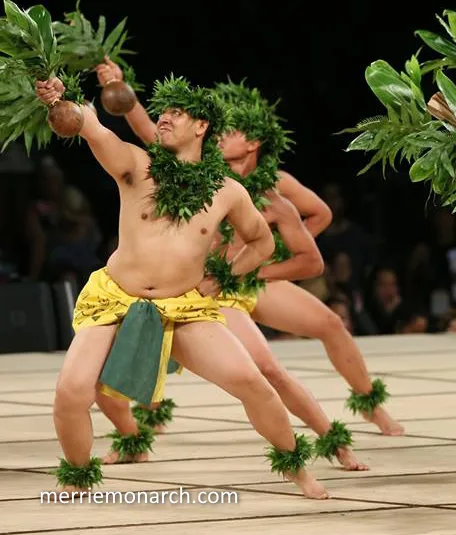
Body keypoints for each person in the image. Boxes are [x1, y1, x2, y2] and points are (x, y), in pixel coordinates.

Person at [33, 75, 326, 498]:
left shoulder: (227, 191)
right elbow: (91, 127)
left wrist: (223, 276)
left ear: (202, 126)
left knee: (253, 383)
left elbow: (261, 242)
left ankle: (298, 470)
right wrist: (61, 99)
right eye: (163, 112)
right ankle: (78, 479)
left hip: (185, 307)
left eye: (176, 113)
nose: (164, 118)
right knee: (71, 391)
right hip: (116, 299)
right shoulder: (136, 166)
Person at [93, 59, 404, 436]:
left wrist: (267, 259)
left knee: (330, 324)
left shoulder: (276, 185)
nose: (221, 136)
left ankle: (370, 403)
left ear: (254, 142)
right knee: (180, 341)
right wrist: (121, 85)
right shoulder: (203, 170)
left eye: (232, 130)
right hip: (209, 281)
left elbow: (320, 215)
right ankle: (146, 421)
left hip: (250, 276)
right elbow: (147, 131)